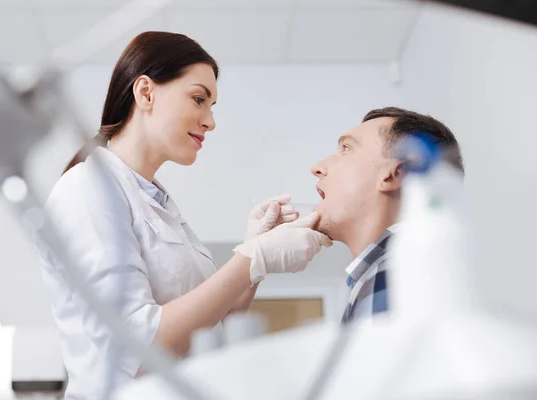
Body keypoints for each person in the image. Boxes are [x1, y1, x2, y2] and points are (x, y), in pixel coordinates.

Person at [35, 31, 332, 399]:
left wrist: (255, 259)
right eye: (198, 99)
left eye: (212, 106)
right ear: (145, 93)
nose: (210, 121)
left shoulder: (154, 199)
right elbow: (137, 346)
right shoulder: (87, 189)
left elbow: (216, 326)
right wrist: (250, 259)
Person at [310, 107, 464, 325]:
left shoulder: (392, 277)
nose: (317, 168)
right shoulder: (383, 277)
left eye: (346, 148)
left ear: (395, 174)